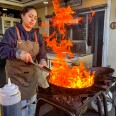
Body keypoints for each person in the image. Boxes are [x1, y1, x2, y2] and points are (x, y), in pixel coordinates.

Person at [0, 6, 47, 116]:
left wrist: (43, 60)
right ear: (22, 16)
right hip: (16, 79)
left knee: (31, 109)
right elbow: (2, 49)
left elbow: (42, 53)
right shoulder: (12, 32)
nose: (33, 20)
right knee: (18, 111)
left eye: (35, 18)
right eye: (30, 16)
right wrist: (19, 53)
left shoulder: (37, 35)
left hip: (32, 79)